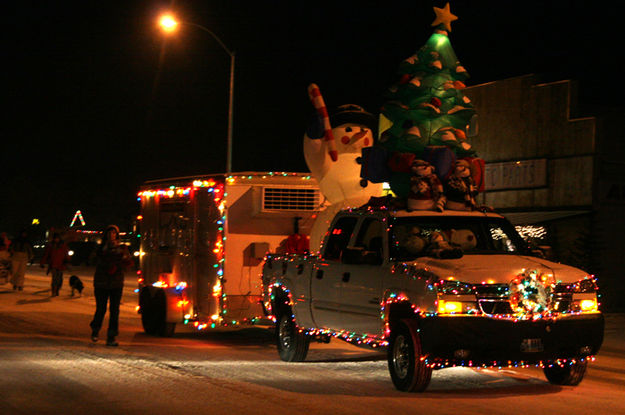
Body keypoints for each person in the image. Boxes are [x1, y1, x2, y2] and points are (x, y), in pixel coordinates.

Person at [89, 225, 132, 347]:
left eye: (114, 233)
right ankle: (95, 329)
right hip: (101, 283)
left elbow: (128, 264)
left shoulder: (122, 249)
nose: (111, 235)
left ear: (117, 235)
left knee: (114, 310)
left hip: (116, 283)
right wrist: (104, 262)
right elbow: (92, 260)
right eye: (109, 233)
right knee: (101, 308)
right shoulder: (100, 248)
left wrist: (122, 264)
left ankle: (111, 336)